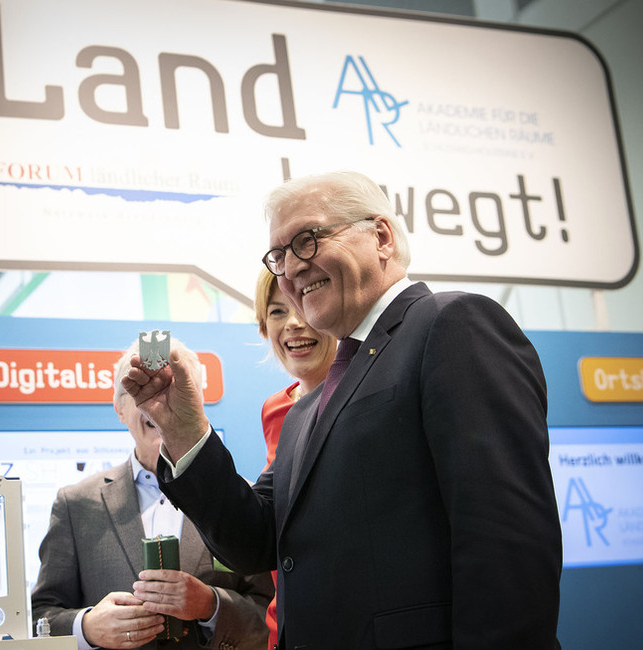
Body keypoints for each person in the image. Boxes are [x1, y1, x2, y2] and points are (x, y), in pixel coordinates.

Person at [124, 171, 563, 649]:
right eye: (278, 257)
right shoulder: (304, 411)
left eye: (307, 241)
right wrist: (185, 430)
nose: (290, 269)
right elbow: (251, 542)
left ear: (381, 237)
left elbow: (506, 544)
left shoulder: (452, 324)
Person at [31, 337, 273, 649]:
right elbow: (41, 618)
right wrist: (88, 626)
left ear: (197, 404)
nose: (158, 406)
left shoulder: (240, 499)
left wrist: (212, 606)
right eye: (139, 392)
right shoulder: (76, 505)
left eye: (172, 389)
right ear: (119, 409)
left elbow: (271, 612)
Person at [253, 270, 335, 649]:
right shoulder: (274, 410)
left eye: (304, 304)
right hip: (284, 625)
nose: (295, 324)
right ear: (263, 327)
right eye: (277, 311)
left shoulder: (364, 394)